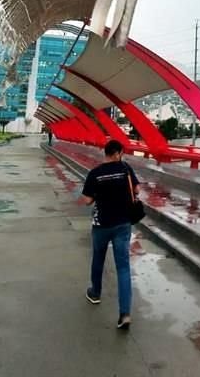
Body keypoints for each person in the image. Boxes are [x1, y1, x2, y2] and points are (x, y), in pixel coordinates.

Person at [80, 139, 139, 330]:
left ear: (106, 153)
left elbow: (87, 200)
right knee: (123, 267)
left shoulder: (95, 173)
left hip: (101, 224)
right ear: (117, 153)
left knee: (98, 258)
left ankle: (95, 293)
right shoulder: (125, 169)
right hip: (123, 223)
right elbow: (136, 190)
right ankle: (125, 314)